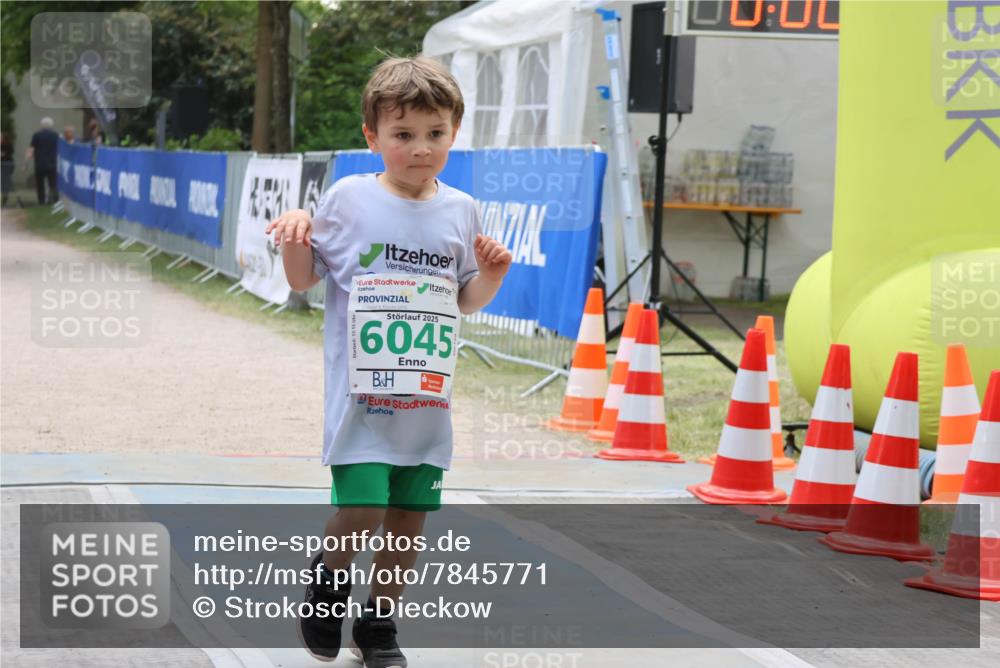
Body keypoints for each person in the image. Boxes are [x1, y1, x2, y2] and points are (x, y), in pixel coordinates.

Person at [266, 56, 512, 667]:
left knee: (407, 520)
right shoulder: (349, 199)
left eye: (435, 133)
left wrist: (493, 276)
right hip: (363, 402)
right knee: (363, 510)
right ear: (372, 137)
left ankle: (378, 626)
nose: (421, 148)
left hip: (426, 402)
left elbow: (464, 299)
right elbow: (303, 279)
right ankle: (329, 582)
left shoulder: (462, 209)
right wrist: (297, 235)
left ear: (454, 132)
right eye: (403, 134)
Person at [25, 117, 59, 205]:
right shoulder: (55, 135)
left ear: (41, 125)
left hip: (40, 163)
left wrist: (26, 162)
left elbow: (31, 149)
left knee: (40, 185)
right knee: (53, 184)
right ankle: (55, 200)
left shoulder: (37, 135)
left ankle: (41, 201)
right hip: (52, 163)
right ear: (52, 125)